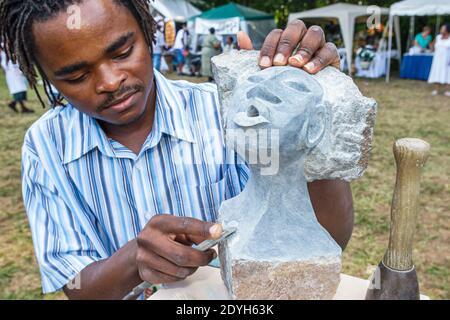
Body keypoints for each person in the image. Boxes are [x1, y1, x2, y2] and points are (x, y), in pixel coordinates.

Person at [0, 0, 346, 300]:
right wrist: (135, 259)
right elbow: (79, 288)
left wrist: (308, 114)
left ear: (148, 29)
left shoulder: (223, 111)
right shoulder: (46, 146)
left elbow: (327, 235)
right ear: (43, 76)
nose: (109, 82)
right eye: (75, 76)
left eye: (122, 52)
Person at [428, 23, 450, 96]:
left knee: (448, 74)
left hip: (447, 60)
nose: (441, 30)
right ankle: (436, 90)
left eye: (443, 28)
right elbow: (432, 47)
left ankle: (447, 91)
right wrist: (430, 45)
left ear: (447, 30)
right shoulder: (438, 37)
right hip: (437, 60)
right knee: (437, 73)